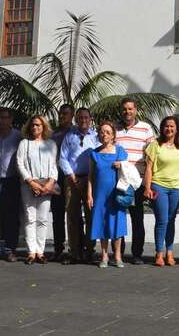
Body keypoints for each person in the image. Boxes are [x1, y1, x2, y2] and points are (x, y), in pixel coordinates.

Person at [115, 97, 156, 265]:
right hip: (119, 182)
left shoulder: (146, 128)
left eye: (130, 109)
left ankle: (137, 254)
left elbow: (152, 155)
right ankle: (119, 253)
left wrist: (148, 183)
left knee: (137, 219)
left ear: (136, 110)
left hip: (137, 182)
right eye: (124, 109)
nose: (127, 112)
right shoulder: (114, 129)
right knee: (118, 218)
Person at [58, 107, 100, 265]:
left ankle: (89, 251)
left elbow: (99, 157)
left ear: (90, 119)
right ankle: (75, 252)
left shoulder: (96, 137)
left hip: (90, 180)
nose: (83, 120)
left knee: (91, 216)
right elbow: (63, 158)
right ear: (76, 120)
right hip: (72, 179)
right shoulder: (70, 136)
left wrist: (89, 177)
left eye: (86, 117)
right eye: (80, 118)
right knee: (72, 216)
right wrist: (72, 176)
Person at [17, 115, 59, 265]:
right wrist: (30, 182)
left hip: (47, 185)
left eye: (38, 125)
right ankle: (31, 252)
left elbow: (54, 165)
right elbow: (20, 163)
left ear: (44, 127)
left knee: (42, 219)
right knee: (30, 218)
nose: (35, 127)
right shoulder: (24, 143)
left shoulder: (51, 144)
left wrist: (50, 182)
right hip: (29, 184)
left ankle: (40, 252)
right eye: (33, 125)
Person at [87, 121, 129, 268]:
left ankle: (117, 255)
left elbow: (128, 170)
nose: (104, 134)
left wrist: (121, 164)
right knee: (102, 223)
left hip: (116, 193)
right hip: (99, 195)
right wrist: (89, 195)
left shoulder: (120, 151)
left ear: (113, 135)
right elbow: (90, 177)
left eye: (108, 132)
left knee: (117, 223)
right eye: (102, 132)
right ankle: (104, 255)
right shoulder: (94, 154)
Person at [144, 116, 179, 267]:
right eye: (166, 126)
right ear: (162, 128)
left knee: (171, 220)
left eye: (172, 126)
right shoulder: (155, 145)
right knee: (162, 220)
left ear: (177, 129)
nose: (169, 129)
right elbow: (148, 168)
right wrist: (147, 188)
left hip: (176, 187)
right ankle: (159, 253)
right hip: (159, 186)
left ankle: (170, 252)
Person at [0, 108, 23, 262]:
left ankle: (10, 250)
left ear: (11, 119)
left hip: (12, 180)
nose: (2, 120)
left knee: (11, 216)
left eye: (5, 118)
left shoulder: (18, 136)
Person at [49, 103, 74, 262]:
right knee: (57, 215)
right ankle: (58, 249)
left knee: (73, 215)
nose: (62, 116)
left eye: (65, 113)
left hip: (72, 177)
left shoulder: (76, 132)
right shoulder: (53, 133)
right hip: (56, 177)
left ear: (72, 115)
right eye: (60, 113)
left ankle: (75, 249)